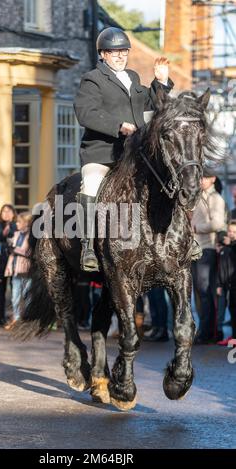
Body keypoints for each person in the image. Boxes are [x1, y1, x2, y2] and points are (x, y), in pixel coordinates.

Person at [74, 27, 178, 272]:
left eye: (123, 51)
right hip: (103, 152)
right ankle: (88, 245)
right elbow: (85, 113)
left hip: (134, 154)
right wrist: (118, 126)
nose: (120, 55)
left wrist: (161, 80)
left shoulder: (132, 77)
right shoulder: (92, 79)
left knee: (168, 178)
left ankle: (180, 237)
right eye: (114, 51)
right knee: (90, 183)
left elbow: (153, 104)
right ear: (103, 54)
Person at [192, 167, 226, 344]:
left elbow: (218, 223)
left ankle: (208, 332)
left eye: (205, 177)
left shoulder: (216, 198)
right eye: (200, 178)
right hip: (195, 249)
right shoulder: (197, 196)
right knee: (198, 293)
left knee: (206, 292)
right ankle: (205, 330)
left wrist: (197, 228)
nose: (201, 180)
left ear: (213, 178)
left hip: (207, 248)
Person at [4, 212, 32, 327]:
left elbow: (29, 252)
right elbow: (12, 253)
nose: (17, 224)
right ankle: (16, 318)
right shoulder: (16, 234)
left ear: (26, 223)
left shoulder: (32, 236)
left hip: (26, 270)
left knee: (27, 296)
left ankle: (27, 319)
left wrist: (15, 249)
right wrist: (8, 266)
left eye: (19, 222)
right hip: (16, 269)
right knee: (15, 296)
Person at [0, 204, 17, 326]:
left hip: (13, 260)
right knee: (0, 291)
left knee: (15, 290)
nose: (6, 214)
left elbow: (14, 237)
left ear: (13, 213)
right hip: (1, 260)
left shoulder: (16, 225)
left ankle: (15, 317)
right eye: (4, 211)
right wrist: (5, 230)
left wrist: (10, 228)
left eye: (9, 211)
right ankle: (0, 317)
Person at [216, 221, 236, 346]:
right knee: (232, 310)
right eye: (230, 231)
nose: (231, 234)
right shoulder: (227, 247)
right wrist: (219, 284)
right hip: (229, 285)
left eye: (234, 232)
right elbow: (222, 268)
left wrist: (231, 244)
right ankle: (233, 338)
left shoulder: (232, 247)